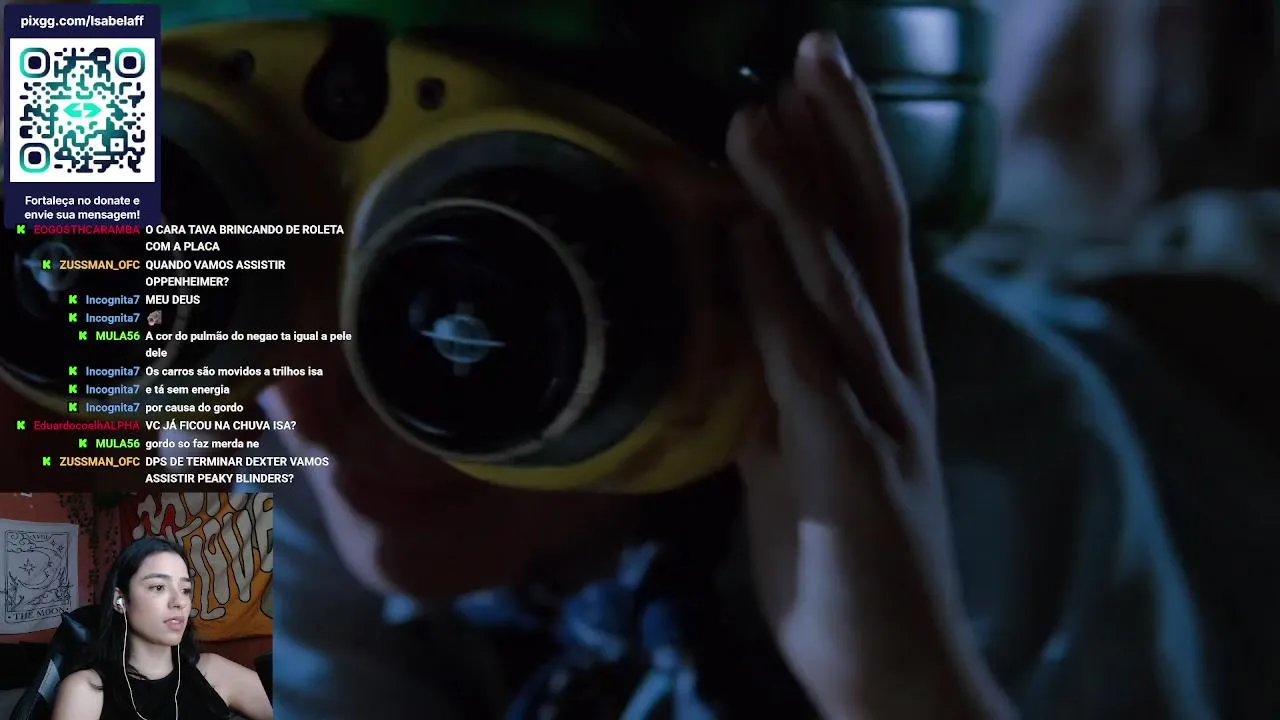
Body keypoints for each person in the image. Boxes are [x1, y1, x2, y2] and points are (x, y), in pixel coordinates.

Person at [50, 536, 273, 720]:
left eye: (185, 590)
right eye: (158, 587)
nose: (179, 601)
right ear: (120, 600)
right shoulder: (86, 690)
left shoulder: (214, 672)